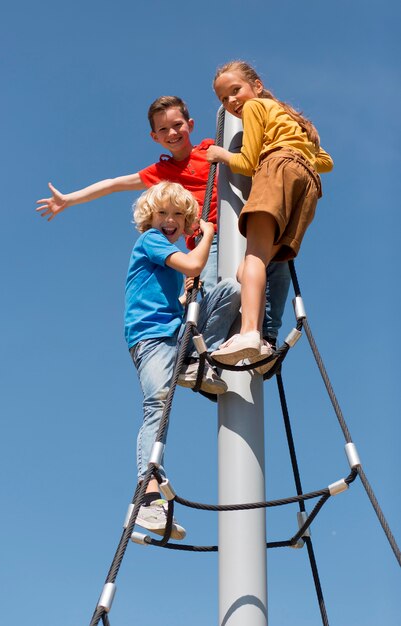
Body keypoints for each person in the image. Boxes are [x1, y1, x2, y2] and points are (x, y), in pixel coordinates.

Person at [36, 95, 290, 345]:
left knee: (278, 265)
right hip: (207, 239)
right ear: (154, 137)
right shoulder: (161, 172)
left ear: (190, 125)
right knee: (215, 293)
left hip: (243, 228)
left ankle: (267, 336)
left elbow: (251, 154)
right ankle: (204, 352)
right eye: (163, 129)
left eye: (177, 125)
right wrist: (69, 199)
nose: (172, 132)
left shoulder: (211, 150)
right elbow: (113, 185)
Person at [125, 182, 241, 539]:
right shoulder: (150, 241)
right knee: (156, 406)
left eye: (178, 214)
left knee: (229, 292)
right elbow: (194, 261)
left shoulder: (166, 254)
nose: (170, 220)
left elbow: (178, 289)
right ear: (150, 218)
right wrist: (206, 234)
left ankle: (196, 364)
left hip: (174, 333)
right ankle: (147, 497)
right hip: (151, 339)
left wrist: (186, 295)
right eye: (163, 213)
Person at [206, 60, 333, 367]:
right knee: (253, 268)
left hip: (276, 171)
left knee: (253, 258)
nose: (231, 101)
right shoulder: (289, 117)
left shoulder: (254, 109)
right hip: (307, 185)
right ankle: (262, 340)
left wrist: (221, 153)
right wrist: (299, 151)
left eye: (235, 91)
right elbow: (325, 162)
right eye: (223, 99)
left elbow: (248, 163)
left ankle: (250, 332)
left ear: (256, 86)